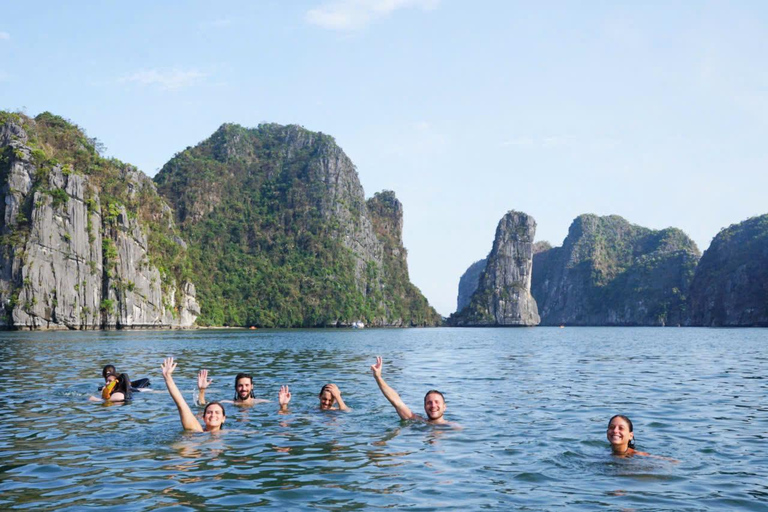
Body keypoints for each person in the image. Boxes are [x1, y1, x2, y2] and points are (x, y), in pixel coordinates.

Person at [370, 356, 447, 424]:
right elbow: (397, 402)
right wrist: (378, 377)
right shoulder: (419, 422)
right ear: (424, 407)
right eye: (429, 403)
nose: (433, 405)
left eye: (437, 402)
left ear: (444, 407)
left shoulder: (454, 428)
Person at [161, 357, 225, 433]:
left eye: (217, 412)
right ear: (203, 418)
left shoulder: (232, 433)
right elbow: (181, 405)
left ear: (223, 418)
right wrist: (168, 377)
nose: (213, 415)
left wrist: (202, 391)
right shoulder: (197, 430)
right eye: (209, 412)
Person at [197, 370, 269, 405]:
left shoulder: (261, 403)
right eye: (240, 385)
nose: (244, 389)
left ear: (252, 386)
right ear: (236, 388)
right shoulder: (226, 403)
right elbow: (203, 406)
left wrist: (281, 406)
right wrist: (202, 390)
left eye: (247, 385)